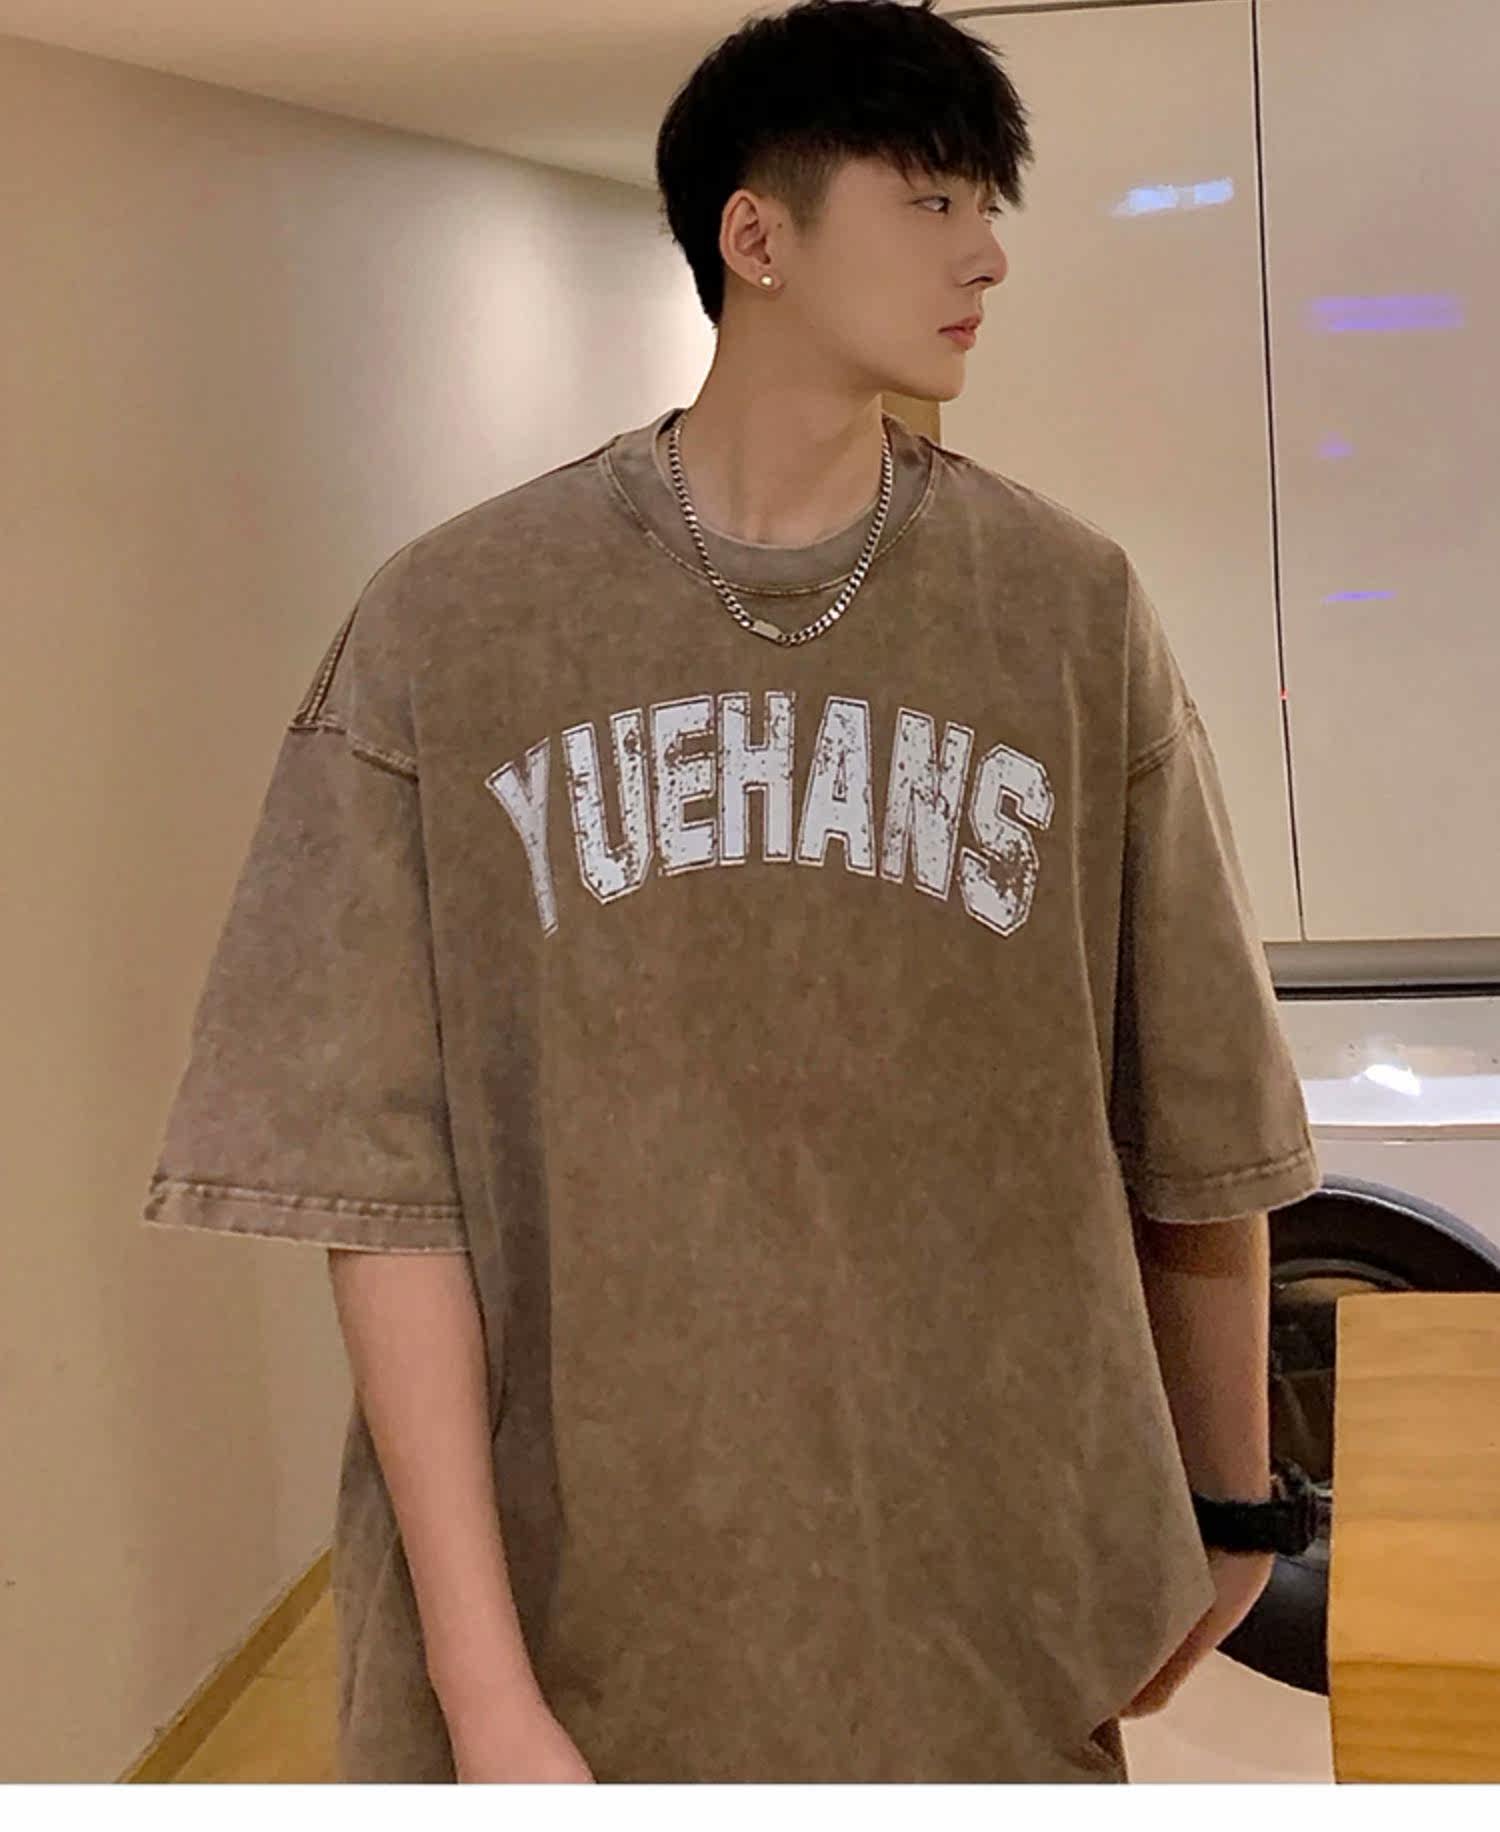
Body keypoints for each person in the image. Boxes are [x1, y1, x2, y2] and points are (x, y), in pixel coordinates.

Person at [141, 0, 1320, 1785]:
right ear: (755, 237)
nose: (988, 254)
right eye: (931, 200)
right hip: (588, 1616)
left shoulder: (1064, 612)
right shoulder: (458, 624)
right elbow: (381, 1194)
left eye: (988, 204)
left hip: (980, 1590)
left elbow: (1203, 1115)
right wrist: (483, 1690)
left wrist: (1231, 1496)